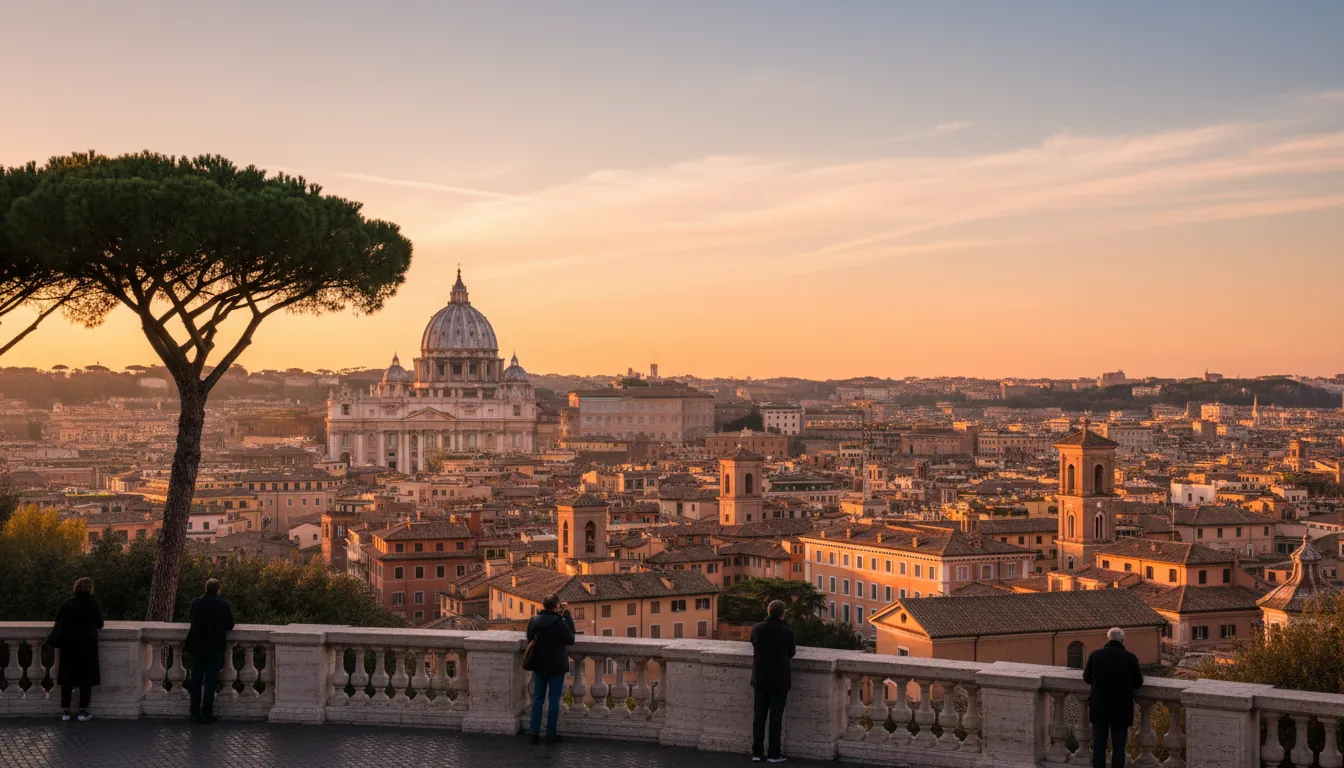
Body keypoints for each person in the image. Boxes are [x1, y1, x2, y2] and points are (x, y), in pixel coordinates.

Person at [1083, 627, 1144, 768]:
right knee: (1119, 747)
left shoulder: (1095, 655)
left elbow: (1087, 678)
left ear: (1107, 639)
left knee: (1099, 746)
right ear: (1122, 641)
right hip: (1121, 709)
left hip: (1099, 707)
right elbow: (1138, 683)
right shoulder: (1130, 658)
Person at [51, 577, 104, 722]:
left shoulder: (67, 603)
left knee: (67, 678)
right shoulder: (93, 605)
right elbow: (100, 624)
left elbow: (58, 620)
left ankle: (66, 712)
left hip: (69, 645)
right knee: (85, 679)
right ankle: (82, 711)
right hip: (87, 646)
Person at [525, 593, 575, 744]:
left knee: (538, 699)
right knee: (554, 700)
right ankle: (550, 734)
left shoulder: (534, 621)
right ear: (556, 606)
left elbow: (529, 638)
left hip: (539, 664)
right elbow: (571, 639)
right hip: (556, 666)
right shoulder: (560, 622)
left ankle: (534, 732)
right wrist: (568, 617)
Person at [750, 599, 796, 764]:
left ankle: (757, 752)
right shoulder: (787, 632)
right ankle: (773, 754)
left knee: (758, 717)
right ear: (783, 614)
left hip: (760, 679)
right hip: (779, 680)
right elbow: (791, 652)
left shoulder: (757, 628)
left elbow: (754, 643)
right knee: (775, 719)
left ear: (769, 612)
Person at [184, 578, 235, 724]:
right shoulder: (223, 605)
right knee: (210, 682)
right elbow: (230, 625)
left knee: (196, 681)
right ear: (218, 589)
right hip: (215, 647)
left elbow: (191, 619)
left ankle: (194, 713)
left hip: (197, 646)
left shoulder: (196, 603)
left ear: (205, 588)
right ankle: (207, 714)